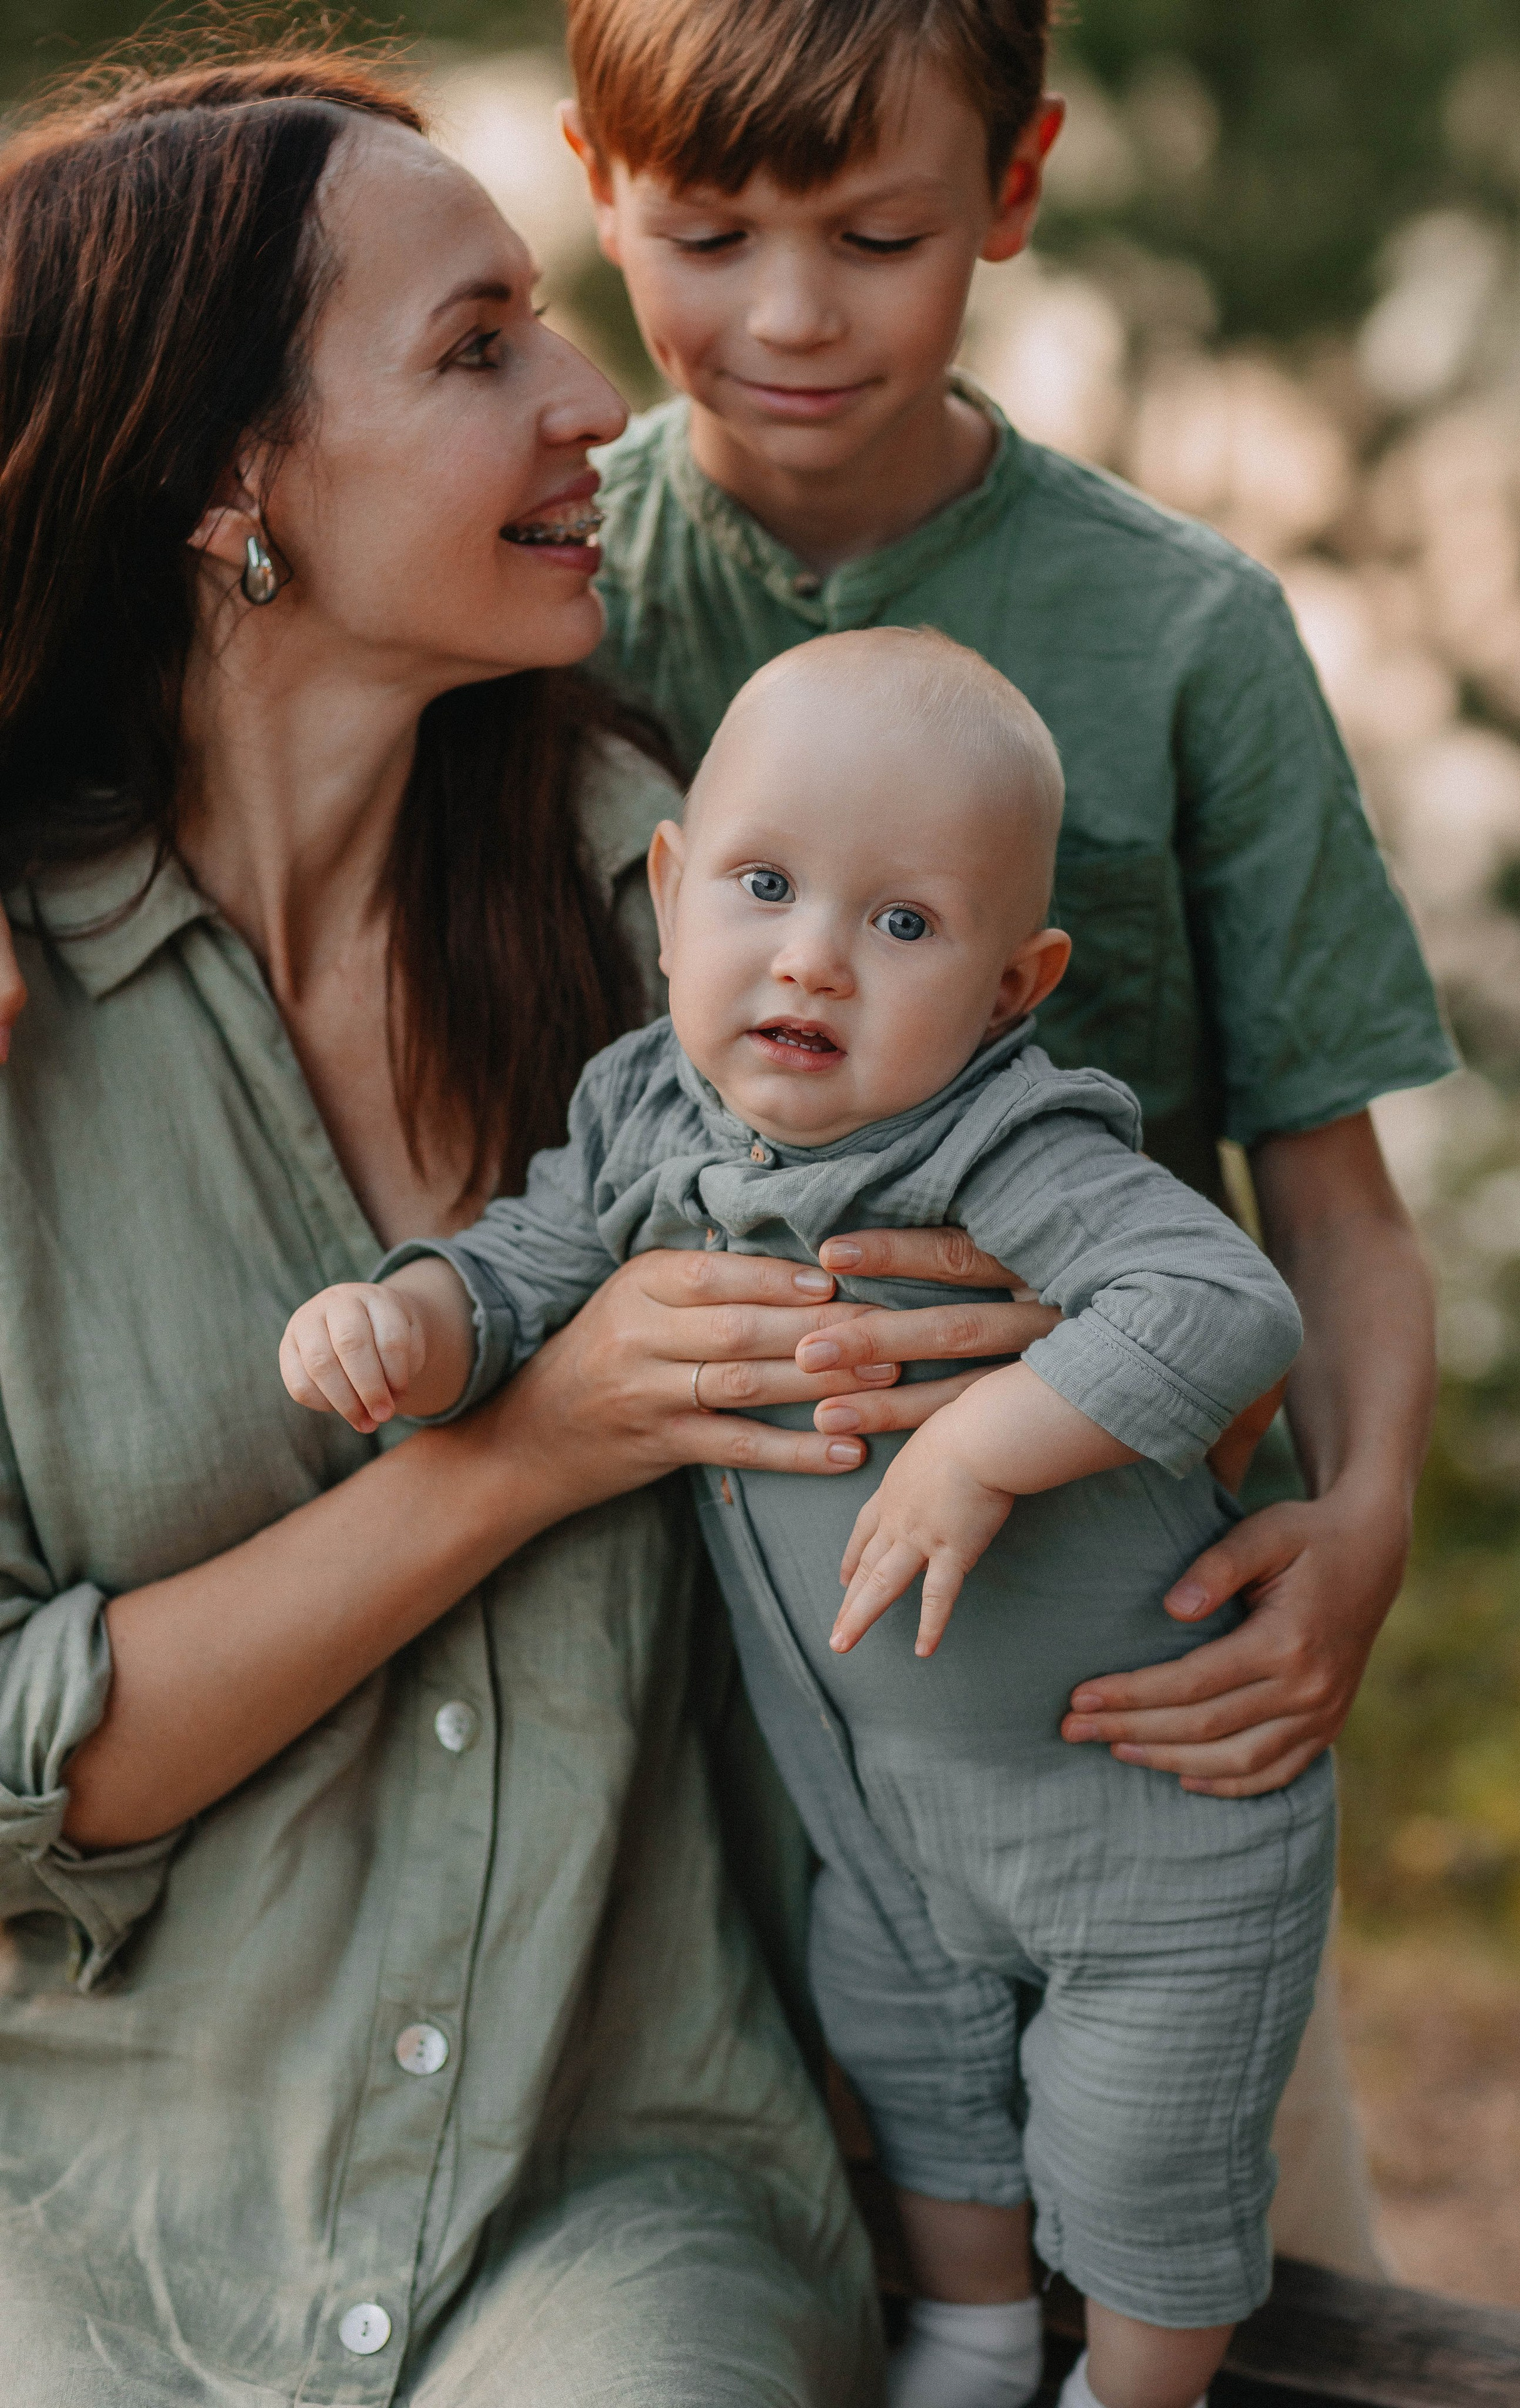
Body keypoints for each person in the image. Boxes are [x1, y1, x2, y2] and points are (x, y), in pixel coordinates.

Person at [0, 51, 1065, 2405]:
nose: (601, 392)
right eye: (478, 349)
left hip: (629, 2174)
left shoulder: (674, 897)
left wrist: (1014, 1333)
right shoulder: (11, 1016)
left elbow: (982, 1268)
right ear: (222, 481)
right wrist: (538, 1440)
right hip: (64, 2197)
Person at [546, 0, 1455, 2283]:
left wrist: (1359, 1535)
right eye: (708, 231)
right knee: (821, 2254)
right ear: (592, 184)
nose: (786, 313)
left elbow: (1330, 1204)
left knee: (1207, 2248)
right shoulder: (540, 602)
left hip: (1110, 1672)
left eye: (875, 235)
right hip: (714, 1665)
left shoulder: (1185, 634)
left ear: (1018, 191)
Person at [282, 626, 1327, 2408]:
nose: (815, 962)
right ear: (675, 890)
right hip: (879, 1818)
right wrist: (414, 1320)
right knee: (917, 2087)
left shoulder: (1011, 1145)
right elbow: (528, 1265)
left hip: (1141, 1813)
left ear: (1014, 985)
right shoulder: (640, 1111)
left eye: (905, 926)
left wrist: (987, 1439)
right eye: (764, 887)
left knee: (1145, 2163)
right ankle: (980, 2340)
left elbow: (1226, 1305)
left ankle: (1135, 2395)